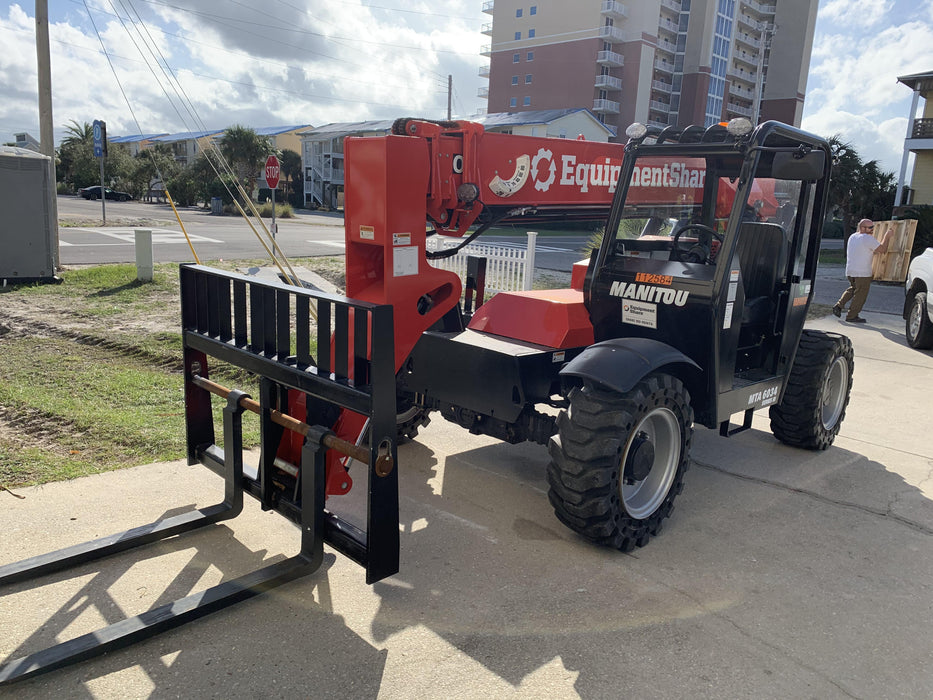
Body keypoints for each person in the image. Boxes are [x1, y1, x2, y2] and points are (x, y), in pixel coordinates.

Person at [833, 219, 894, 323]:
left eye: (872, 227)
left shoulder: (853, 236)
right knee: (860, 295)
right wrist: (887, 236)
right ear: (862, 228)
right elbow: (882, 249)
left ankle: (839, 305)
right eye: (870, 227)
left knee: (853, 289)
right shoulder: (867, 238)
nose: (872, 229)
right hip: (863, 273)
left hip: (850, 270)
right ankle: (852, 316)